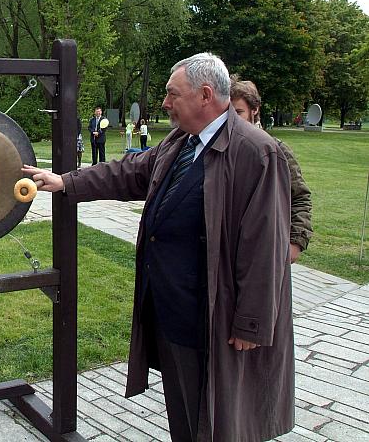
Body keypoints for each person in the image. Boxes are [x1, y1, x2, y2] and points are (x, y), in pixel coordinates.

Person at [23, 52, 293, 441]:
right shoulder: (181, 141)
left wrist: (251, 323)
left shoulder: (256, 153)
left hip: (214, 316)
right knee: (184, 412)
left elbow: (265, 247)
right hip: (171, 310)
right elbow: (129, 172)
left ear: (204, 95)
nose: (165, 103)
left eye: (172, 94)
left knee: (218, 420)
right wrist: (66, 181)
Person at [230, 77, 312, 263]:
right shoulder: (222, 149)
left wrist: (295, 243)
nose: (232, 120)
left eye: (238, 113)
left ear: (255, 110)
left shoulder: (276, 150)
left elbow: (300, 196)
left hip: (265, 252)